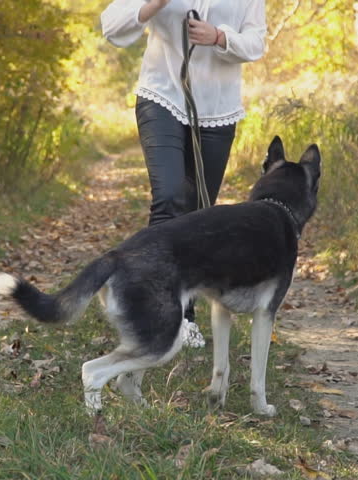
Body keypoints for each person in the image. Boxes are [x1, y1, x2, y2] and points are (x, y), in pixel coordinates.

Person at [101, 0, 267, 347]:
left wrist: (220, 37)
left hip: (218, 108)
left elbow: (256, 43)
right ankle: (162, 314)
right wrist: (153, 5)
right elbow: (111, 27)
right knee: (169, 198)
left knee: (197, 216)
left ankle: (183, 312)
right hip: (161, 97)